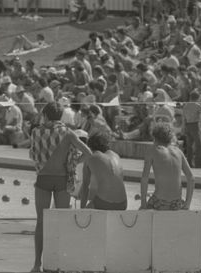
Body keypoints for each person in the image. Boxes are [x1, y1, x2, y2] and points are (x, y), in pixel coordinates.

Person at [29, 102, 92, 273]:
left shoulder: (36, 132)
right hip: (62, 179)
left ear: (46, 115)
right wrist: (73, 162)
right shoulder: (68, 133)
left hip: (43, 179)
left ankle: (37, 264)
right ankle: (60, 263)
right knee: (62, 222)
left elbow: (33, 154)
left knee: (41, 222)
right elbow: (88, 153)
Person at [140, 123, 195, 211]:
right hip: (176, 203)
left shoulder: (152, 150)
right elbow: (191, 178)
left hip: (159, 202)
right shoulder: (178, 151)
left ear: (154, 137)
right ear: (170, 138)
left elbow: (144, 179)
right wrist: (187, 205)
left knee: (141, 215)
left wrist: (143, 204)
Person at [80, 131, 127, 210]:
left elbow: (85, 186)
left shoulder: (90, 156)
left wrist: (82, 209)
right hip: (123, 203)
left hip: (104, 202)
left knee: (84, 217)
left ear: (90, 145)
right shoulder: (115, 155)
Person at [182, 91, 201, 169]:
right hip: (194, 125)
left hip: (187, 125)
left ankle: (189, 163)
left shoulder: (186, 105)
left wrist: (183, 127)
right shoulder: (196, 105)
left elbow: (184, 117)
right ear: (197, 98)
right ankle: (199, 164)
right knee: (199, 145)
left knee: (189, 145)